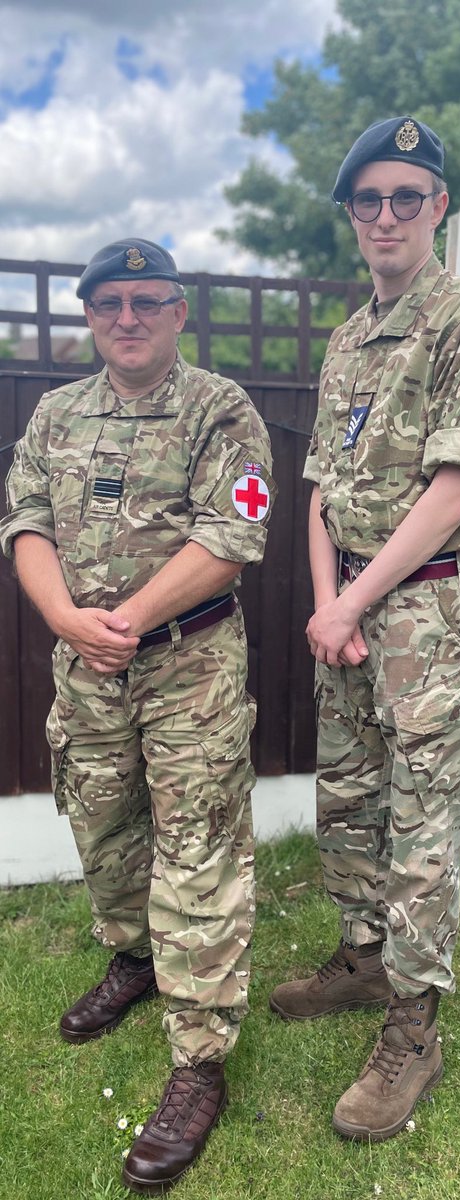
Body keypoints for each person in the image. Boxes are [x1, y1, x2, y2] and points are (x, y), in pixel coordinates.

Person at [0, 238, 275, 1192]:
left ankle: (199, 1061)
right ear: (89, 314)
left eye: (147, 301)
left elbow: (233, 536)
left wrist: (124, 620)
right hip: (86, 664)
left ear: (178, 313)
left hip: (188, 663)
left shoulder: (220, 409)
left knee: (198, 844)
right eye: (110, 301)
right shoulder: (55, 414)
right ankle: (134, 957)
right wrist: (65, 619)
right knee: (104, 820)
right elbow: (24, 521)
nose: (128, 317)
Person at [269, 117, 460, 1141]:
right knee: (350, 794)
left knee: (417, 823)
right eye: (366, 201)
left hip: (422, 608)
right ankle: (364, 960)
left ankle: (414, 1029)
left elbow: (456, 482)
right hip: (353, 610)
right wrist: (327, 605)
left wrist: (354, 600)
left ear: (435, 211)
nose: (383, 216)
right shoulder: (343, 339)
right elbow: (320, 486)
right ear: (350, 218)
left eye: (403, 199)